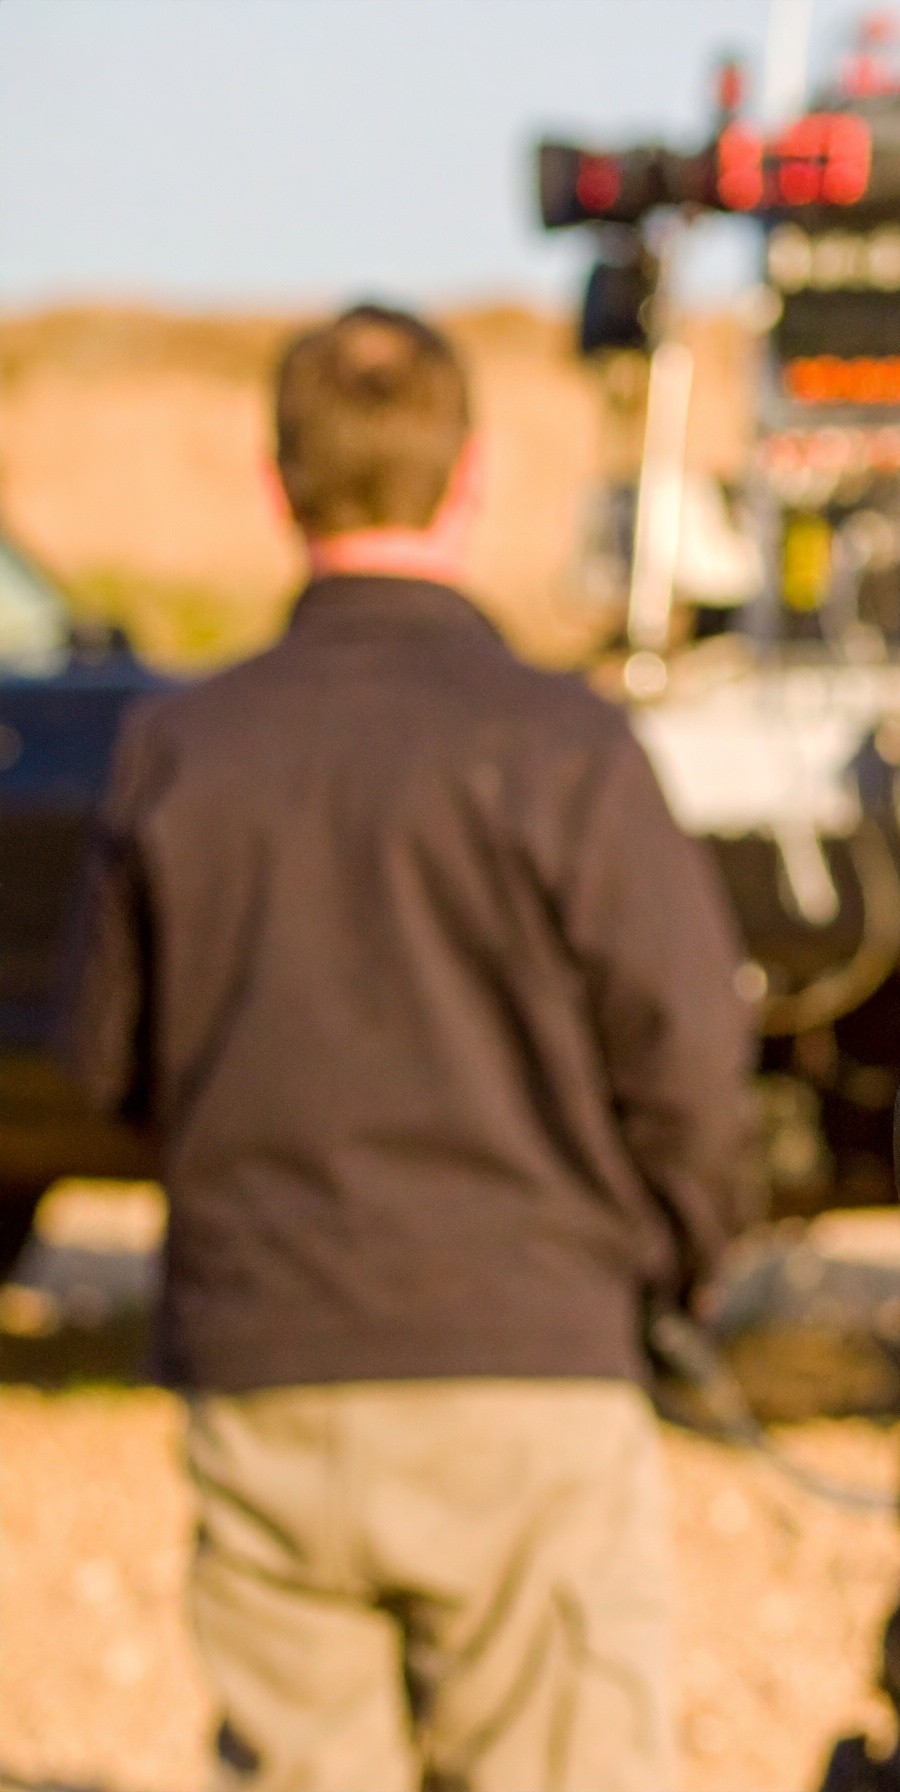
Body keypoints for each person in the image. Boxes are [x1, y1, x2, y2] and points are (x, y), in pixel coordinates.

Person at [58, 303, 757, 1791]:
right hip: (530, 1371)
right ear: (472, 480)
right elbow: (691, 1055)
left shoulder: (180, 750)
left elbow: (105, 1069)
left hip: (268, 1373)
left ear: (275, 485)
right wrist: (668, 1271)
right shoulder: (566, 746)